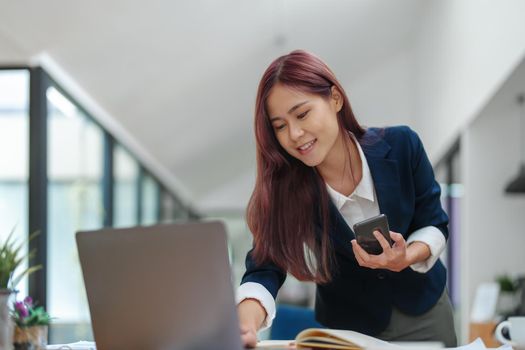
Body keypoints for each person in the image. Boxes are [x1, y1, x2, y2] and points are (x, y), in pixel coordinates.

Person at [236, 50, 457, 348]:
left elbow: (434, 224)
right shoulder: (284, 189)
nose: (295, 134)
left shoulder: (403, 145)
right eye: (280, 126)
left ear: (335, 99)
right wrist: (245, 324)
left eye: (302, 114)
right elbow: (264, 267)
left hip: (424, 313)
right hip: (347, 332)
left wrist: (407, 256)